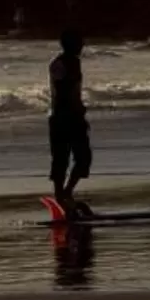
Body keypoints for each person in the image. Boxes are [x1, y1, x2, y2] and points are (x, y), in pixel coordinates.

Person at [48, 30, 91, 215]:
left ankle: (65, 193)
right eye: (79, 42)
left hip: (64, 116)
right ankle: (61, 196)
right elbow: (65, 92)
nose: (82, 46)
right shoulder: (63, 63)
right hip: (65, 117)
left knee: (76, 158)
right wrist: (77, 112)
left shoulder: (68, 62)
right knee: (66, 158)